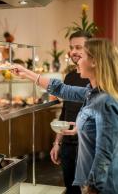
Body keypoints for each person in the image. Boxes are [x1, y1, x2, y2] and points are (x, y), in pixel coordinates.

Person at [11, 38, 118, 194]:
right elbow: (62, 89)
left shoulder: (106, 101)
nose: (77, 61)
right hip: (89, 180)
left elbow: (105, 152)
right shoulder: (92, 93)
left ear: (94, 62)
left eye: (82, 57)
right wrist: (27, 73)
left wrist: (93, 187)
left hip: (102, 186)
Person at [50, 31, 90, 194]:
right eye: (71, 47)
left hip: (88, 147)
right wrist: (57, 143)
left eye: (78, 47)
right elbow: (65, 112)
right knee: (71, 190)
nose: (73, 51)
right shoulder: (69, 77)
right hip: (68, 146)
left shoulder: (99, 77)